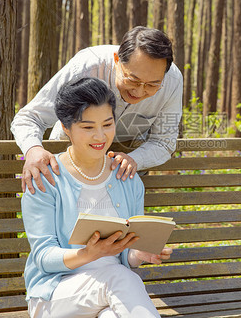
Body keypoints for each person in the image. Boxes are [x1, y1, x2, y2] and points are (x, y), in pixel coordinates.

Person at [21, 77, 172, 318]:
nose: (100, 136)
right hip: (56, 295)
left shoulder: (127, 177)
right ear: (66, 127)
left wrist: (139, 253)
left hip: (113, 294)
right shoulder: (45, 178)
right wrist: (88, 254)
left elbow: (126, 255)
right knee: (119, 277)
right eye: (88, 127)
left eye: (108, 124)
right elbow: (43, 257)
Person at [12, 26, 183, 194]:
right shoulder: (87, 66)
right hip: (66, 169)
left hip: (122, 178)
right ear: (117, 60)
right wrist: (33, 150)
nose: (139, 92)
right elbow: (29, 118)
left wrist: (134, 159)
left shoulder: (173, 81)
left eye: (152, 85)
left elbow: (163, 141)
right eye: (133, 80)